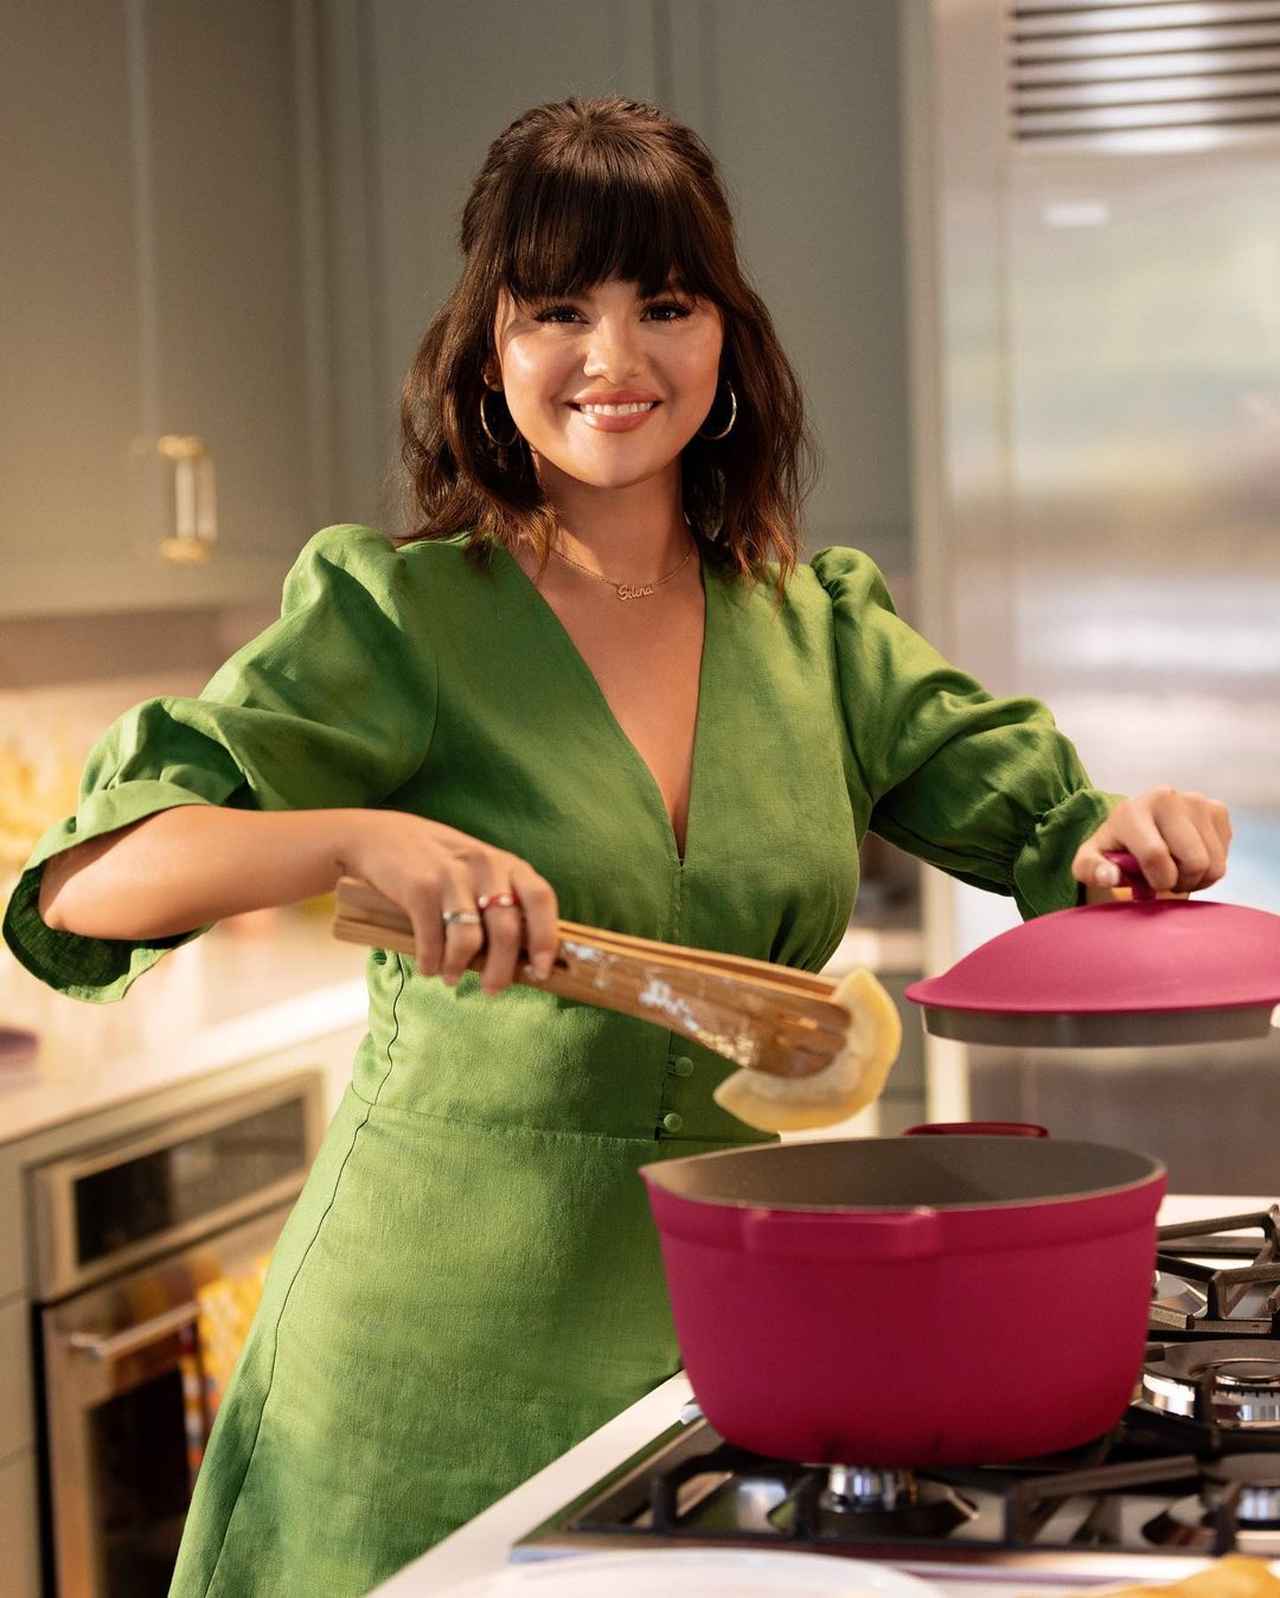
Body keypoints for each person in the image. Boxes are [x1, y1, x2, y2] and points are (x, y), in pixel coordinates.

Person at [4, 96, 1232, 1596]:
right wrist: (361, 837)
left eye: (665, 303)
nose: (614, 358)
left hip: (730, 1350)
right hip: (418, 1371)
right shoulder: (398, 617)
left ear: (727, 340)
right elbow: (90, 880)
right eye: (556, 311)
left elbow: (1065, 839)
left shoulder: (821, 632)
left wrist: (1132, 835)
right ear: (487, 347)